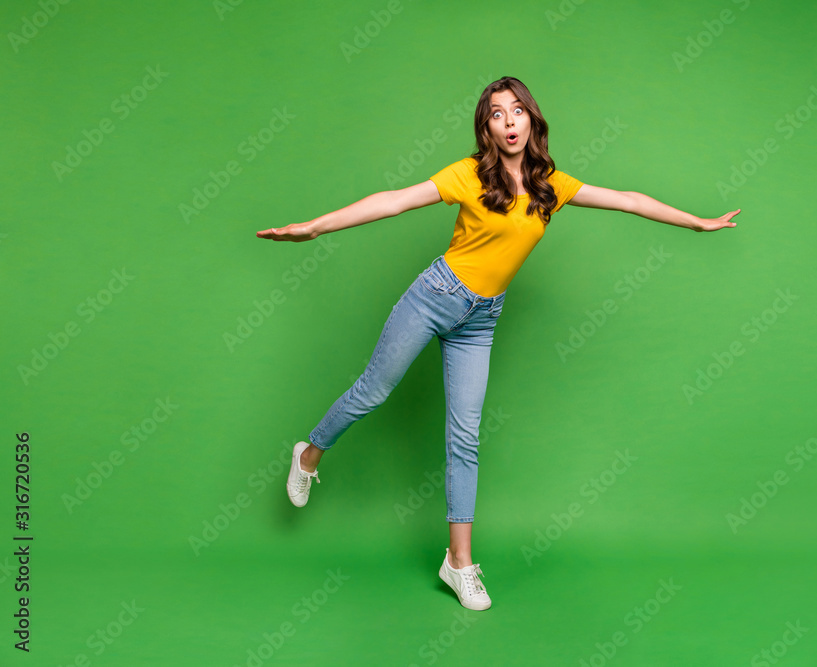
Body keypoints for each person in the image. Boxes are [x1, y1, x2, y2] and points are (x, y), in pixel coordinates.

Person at [256, 76, 739, 611]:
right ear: (485, 127)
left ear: (532, 119)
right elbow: (395, 201)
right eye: (496, 114)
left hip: (481, 320)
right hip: (434, 297)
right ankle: (309, 454)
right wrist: (317, 228)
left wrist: (696, 223)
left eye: (517, 111)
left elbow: (627, 200)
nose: (509, 122)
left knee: (465, 437)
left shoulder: (551, 185)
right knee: (373, 391)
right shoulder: (468, 175)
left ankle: (459, 563)